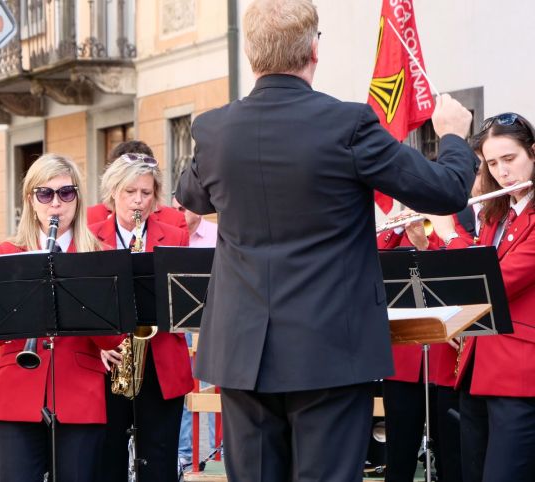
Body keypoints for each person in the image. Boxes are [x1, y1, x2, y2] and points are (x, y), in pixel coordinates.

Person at [173, 0, 477, 479]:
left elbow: (189, 193)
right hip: (329, 348)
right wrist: (455, 138)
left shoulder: (214, 130)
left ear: (252, 55)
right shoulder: (348, 125)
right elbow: (447, 191)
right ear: (314, 49)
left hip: (241, 349)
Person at [0, 153, 123, 482]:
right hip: (18, 389)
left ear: (77, 199)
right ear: (30, 200)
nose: (56, 204)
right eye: (45, 194)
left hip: (79, 392)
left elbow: (114, 338)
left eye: (66, 193)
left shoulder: (100, 255)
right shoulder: (7, 253)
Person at [427, 112, 535, 481]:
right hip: (476, 367)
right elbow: (467, 282)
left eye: (510, 159)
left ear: (533, 154)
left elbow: (492, 282)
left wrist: (449, 233)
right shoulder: (495, 215)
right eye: (492, 163)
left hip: (519, 376)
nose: (503, 173)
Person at [90, 154, 193, 482]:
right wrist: (101, 342)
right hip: (110, 360)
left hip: (161, 358)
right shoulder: (92, 236)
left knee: (159, 461)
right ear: (113, 193)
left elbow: (182, 301)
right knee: (109, 458)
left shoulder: (174, 235)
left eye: (146, 193)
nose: (138, 201)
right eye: (130, 192)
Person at [376, 212, 465, 482]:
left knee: (451, 454)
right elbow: (371, 259)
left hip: (445, 361)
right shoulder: (400, 229)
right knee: (399, 454)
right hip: (403, 361)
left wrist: (427, 245)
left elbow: (463, 267)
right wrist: (396, 228)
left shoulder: (453, 224)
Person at [172, 197, 218, 469]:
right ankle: (184, 451)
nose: (178, 213)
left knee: (211, 388)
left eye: (183, 208)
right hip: (180, 322)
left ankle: (214, 451)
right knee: (184, 385)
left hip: (212, 321)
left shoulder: (216, 234)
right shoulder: (170, 233)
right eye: (175, 208)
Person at [87, 141, 186, 230]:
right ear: (113, 188)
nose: (138, 199)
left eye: (146, 192)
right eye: (130, 191)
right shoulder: (89, 220)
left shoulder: (176, 222)